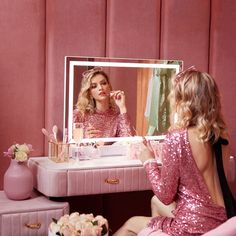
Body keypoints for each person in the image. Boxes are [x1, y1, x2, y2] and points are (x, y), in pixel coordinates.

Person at [113, 67, 233, 236]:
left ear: (183, 100)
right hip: (222, 219)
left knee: (130, 224)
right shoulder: (221, 137)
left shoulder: (178, 137)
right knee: (155, 202)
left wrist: (148, 160)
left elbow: (165, 195)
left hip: (192, 227)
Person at [73, 67, 134, 138]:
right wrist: (84, 138)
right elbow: (69, 143)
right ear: (90, 93)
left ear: (109, 87)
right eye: (94, 86)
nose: (100, 88)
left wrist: (122, 107)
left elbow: (128, 142)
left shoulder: (117, 117)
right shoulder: (79, 115)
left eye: (103, 83)